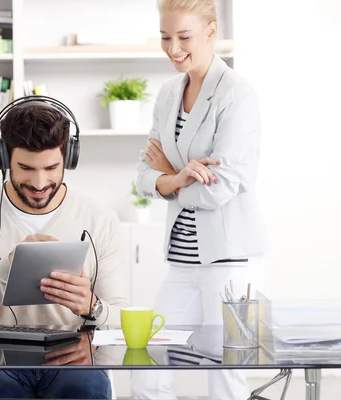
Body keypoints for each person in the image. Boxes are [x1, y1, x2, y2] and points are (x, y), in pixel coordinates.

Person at [0, 97, 129, 398]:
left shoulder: (100, 219)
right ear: (4, 159)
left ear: (68, 159)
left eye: (51, 167)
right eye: (26, 168)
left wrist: (92, 308)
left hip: (74, 361)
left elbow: (121, 320)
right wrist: (9, 266)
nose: (40, 182)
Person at [133, 0, 267, 399]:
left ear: (211, 31)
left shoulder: (237, 94)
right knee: (146, 359)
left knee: (227, 376)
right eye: (165, 37)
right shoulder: (168, 92)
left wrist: (169, 177)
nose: (173, 48)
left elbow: (221, 188)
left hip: (231, 263)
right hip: (181, 261)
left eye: (184, 36)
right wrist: (179, 175)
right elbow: (143, 177)